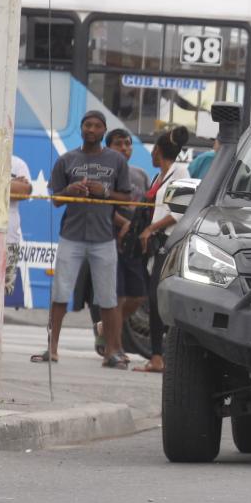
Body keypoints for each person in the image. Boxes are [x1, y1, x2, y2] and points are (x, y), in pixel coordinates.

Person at [31, 110, 131, 368]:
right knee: (61, 292)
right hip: (72, 236)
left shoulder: (117, 161)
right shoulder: (66, 160)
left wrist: (104, 191)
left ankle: (111, 352)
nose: (92, 129)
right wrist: (69, 190)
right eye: (88, 125)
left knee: (107, 297)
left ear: (103, 131)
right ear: (81, 128)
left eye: (97, 126)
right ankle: (51, 349)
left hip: (104, 237)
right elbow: (55, 200)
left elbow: (127, 199)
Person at [86, 128, 151, 357]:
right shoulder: (102, 174)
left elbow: (145, 207)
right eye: (119, 144)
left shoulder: (140, 174)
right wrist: (124, 223)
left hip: (132, 243)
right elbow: (100, 207)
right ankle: (116, 348)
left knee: (138, 295)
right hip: (109, 239)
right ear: (108, 148)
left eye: (127, 143)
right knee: (117, 296)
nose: (125, 148)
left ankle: (105, 326)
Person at [133, 126, 191, 373]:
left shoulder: (181, 172)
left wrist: (151, 229)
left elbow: (179, 211)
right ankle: (157, 356)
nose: (152, 154)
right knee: (153, 296)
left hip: (168, 243)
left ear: (159, 151)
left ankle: (159, 356)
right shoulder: (159, 176)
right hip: (155, 243)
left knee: (159, 299)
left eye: (153, 149)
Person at [6, 155, 32, 295]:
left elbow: (24, 192)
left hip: (10, 238)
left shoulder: (17, 163)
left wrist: (1, 184)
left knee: (4, 289)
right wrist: (11, 183)